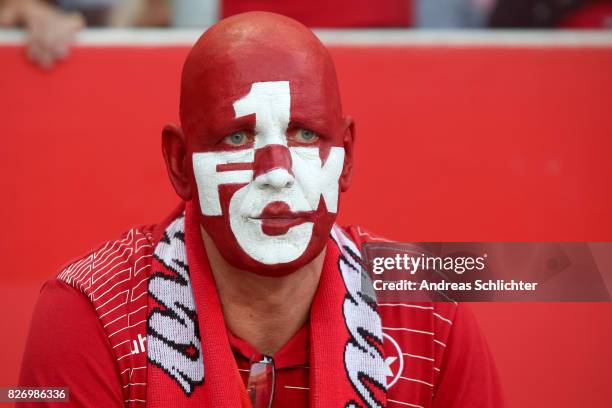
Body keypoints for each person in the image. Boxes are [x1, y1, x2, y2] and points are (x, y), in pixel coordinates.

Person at [19, 12, 504, 408]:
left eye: (305, 134)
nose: (276, 170)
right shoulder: (90, 312)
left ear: (347, 157)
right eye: (237, 137)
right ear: (179, 163)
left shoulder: (430, 308)